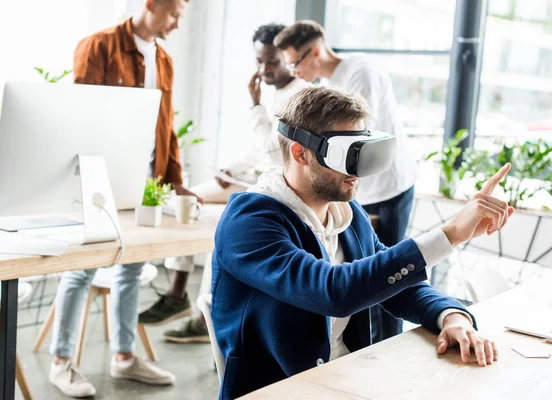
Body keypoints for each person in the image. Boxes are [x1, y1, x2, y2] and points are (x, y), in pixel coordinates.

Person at [211, 86, 513, 399]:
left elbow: (398, 283)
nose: (358, 169)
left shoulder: (347, 213)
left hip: (348, 379)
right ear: (300, 152)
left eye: (363, 149)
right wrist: (451, 234)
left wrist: (451, 317)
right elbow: (332, 291)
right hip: (280, 389)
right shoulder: (249, 221)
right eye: (345, 154)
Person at [48, 1, 195, 397]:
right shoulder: (99, 45)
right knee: (81, 269)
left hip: (144, 179)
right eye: (174, 14)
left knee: (131, 266)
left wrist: (175, 179)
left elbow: (166, 126)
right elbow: (79, 112)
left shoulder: (163, 59)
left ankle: (125, 358)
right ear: (151, 4)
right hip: (99, 177)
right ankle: (61, 362)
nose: (178, 24)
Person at [139, 23, 308, 344]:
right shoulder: (274, 92)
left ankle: (205, 321)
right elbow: (259, 147)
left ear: (288, 58)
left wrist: (255, 105)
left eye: (271, 61)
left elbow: (274, 152)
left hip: (273, 186)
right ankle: (177, 293)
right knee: (186, 201)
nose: (263, 69)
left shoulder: (300, 94)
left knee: (224, 229)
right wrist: (231, 168)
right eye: (259, 61)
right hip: (248, 175)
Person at [274, 20, 419, 342]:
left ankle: (387, 346)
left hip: (388, 187)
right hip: (355, 189)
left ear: (315, 51)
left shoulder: (359, 73)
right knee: (364, 273)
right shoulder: (327, 81)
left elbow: (356, 147)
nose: (293, 71)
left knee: (387, 276)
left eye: (295, 62)